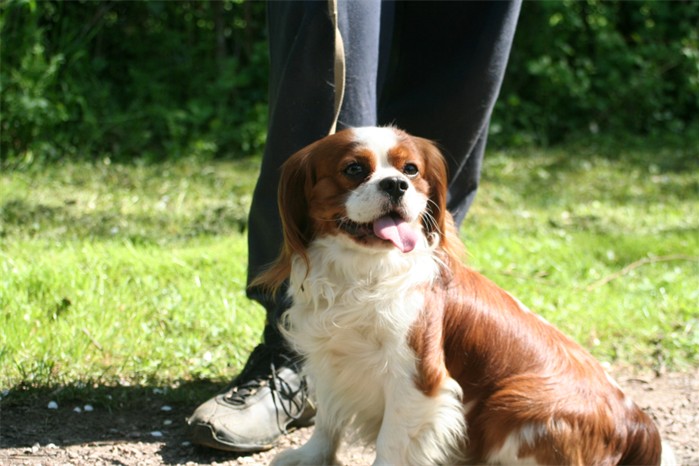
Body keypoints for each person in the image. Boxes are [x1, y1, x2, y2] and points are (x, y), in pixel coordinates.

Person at [187, 0, 521, 453]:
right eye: (353, 171)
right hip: (318, 259)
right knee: (324, 59)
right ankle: (284, 364)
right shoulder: (305, 182)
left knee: (462, 73)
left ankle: (434, 322)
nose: (394, 183)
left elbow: (420, 390)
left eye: (407, 172)